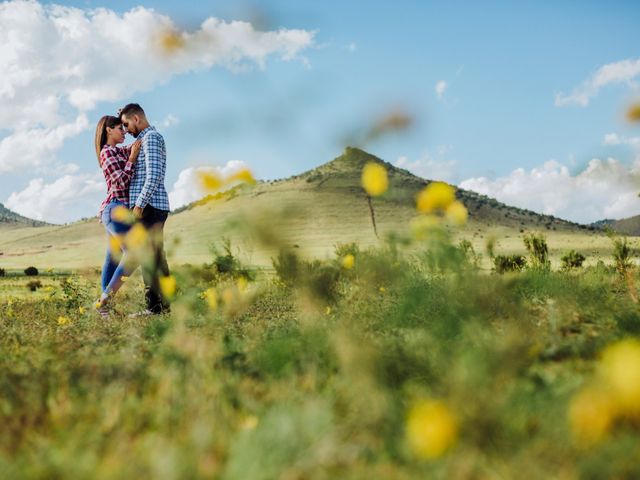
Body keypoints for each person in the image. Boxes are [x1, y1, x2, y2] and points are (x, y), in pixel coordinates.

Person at [119, 103, 171, 315]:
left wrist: (139, 205)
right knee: (156, 257)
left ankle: (155, 308)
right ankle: (163, 308)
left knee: (149, 257)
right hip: (151, 206)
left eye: (126, 124)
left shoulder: (151, 138)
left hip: (149, 206)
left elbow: (154, 175)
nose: (125, 130)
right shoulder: (145, 140)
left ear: (136, 119)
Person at [94, 115, 141, 317]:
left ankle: (105, 313)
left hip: (116, 210)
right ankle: (104, 300)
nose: (124, 131)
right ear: (108, 130)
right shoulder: (107, 153)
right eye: (120, 128)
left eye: (125, 127)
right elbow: (120, 182)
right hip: (116, 209)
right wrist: (131, 159)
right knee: (135, 253)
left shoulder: (117, 151)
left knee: (112, 259)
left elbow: (133, 146)